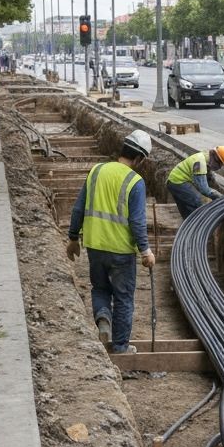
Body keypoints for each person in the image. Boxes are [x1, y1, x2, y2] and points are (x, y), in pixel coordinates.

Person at [66, 130, 156, 354]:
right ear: (140, 158)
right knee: (124, 298)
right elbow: (136, 221)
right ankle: (120, 348)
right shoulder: (135, 181)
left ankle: (103, 319)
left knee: (100, 288)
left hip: (95, 245)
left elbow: (78, 208)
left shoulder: (97, 171)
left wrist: (72, 238)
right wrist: (145, 251)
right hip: (121, 251)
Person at [167, 145, 224, 219]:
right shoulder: (200, 164)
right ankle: (197, 226)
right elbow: (204, 190)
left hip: (174, 181)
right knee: (196, 202)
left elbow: (211, 182)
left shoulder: (206, 158)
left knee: (186, 210)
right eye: (219, 165)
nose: (219, 168)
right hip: (178, 182)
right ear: (216, 159)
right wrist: (221, 198)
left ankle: (188, 226)